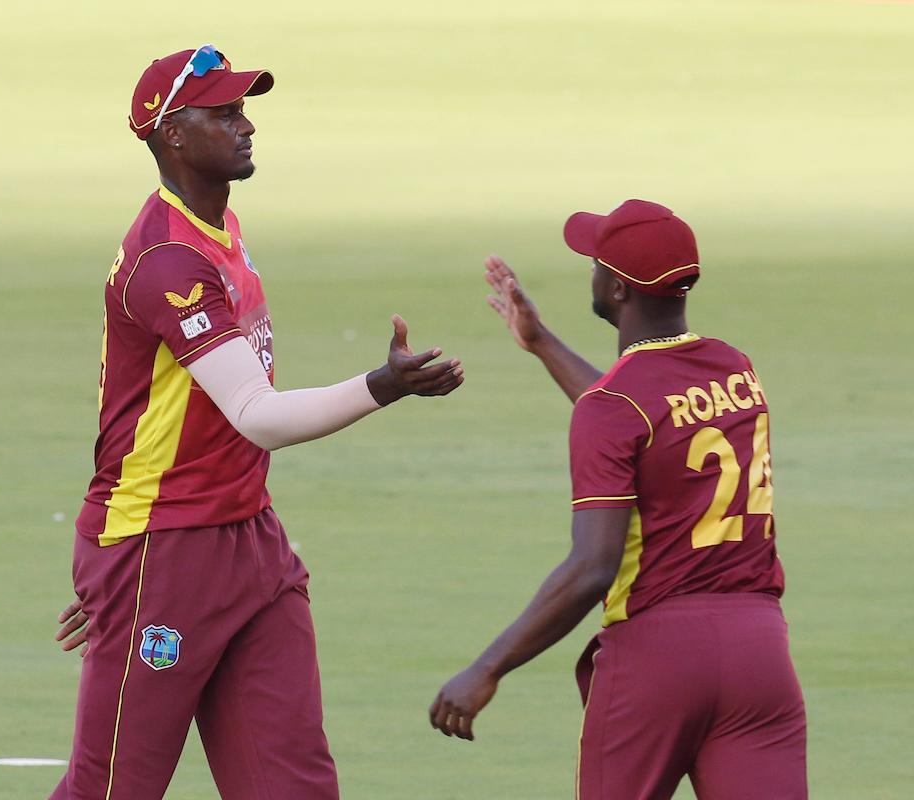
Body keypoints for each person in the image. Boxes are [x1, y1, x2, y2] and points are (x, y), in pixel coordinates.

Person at [49, 45, 464, 800]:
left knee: (294, 785)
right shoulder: (169, 258)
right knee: (111, 788)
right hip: (161, 548)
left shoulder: (219, 227)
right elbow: (256, 416)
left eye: (245, 110)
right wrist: (383, 385)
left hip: (247, 541)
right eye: (226, 112)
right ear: (171, 133)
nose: (246, 125)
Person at [428, 200, 806, 799]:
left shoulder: (612, 408)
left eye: (596, 262)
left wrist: (487, 668)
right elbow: (643, 419)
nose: (591, 272)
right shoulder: (735, 369)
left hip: (659, 657)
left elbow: (592, 567)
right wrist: (542, 342)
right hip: (760, 653)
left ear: (620, 289)